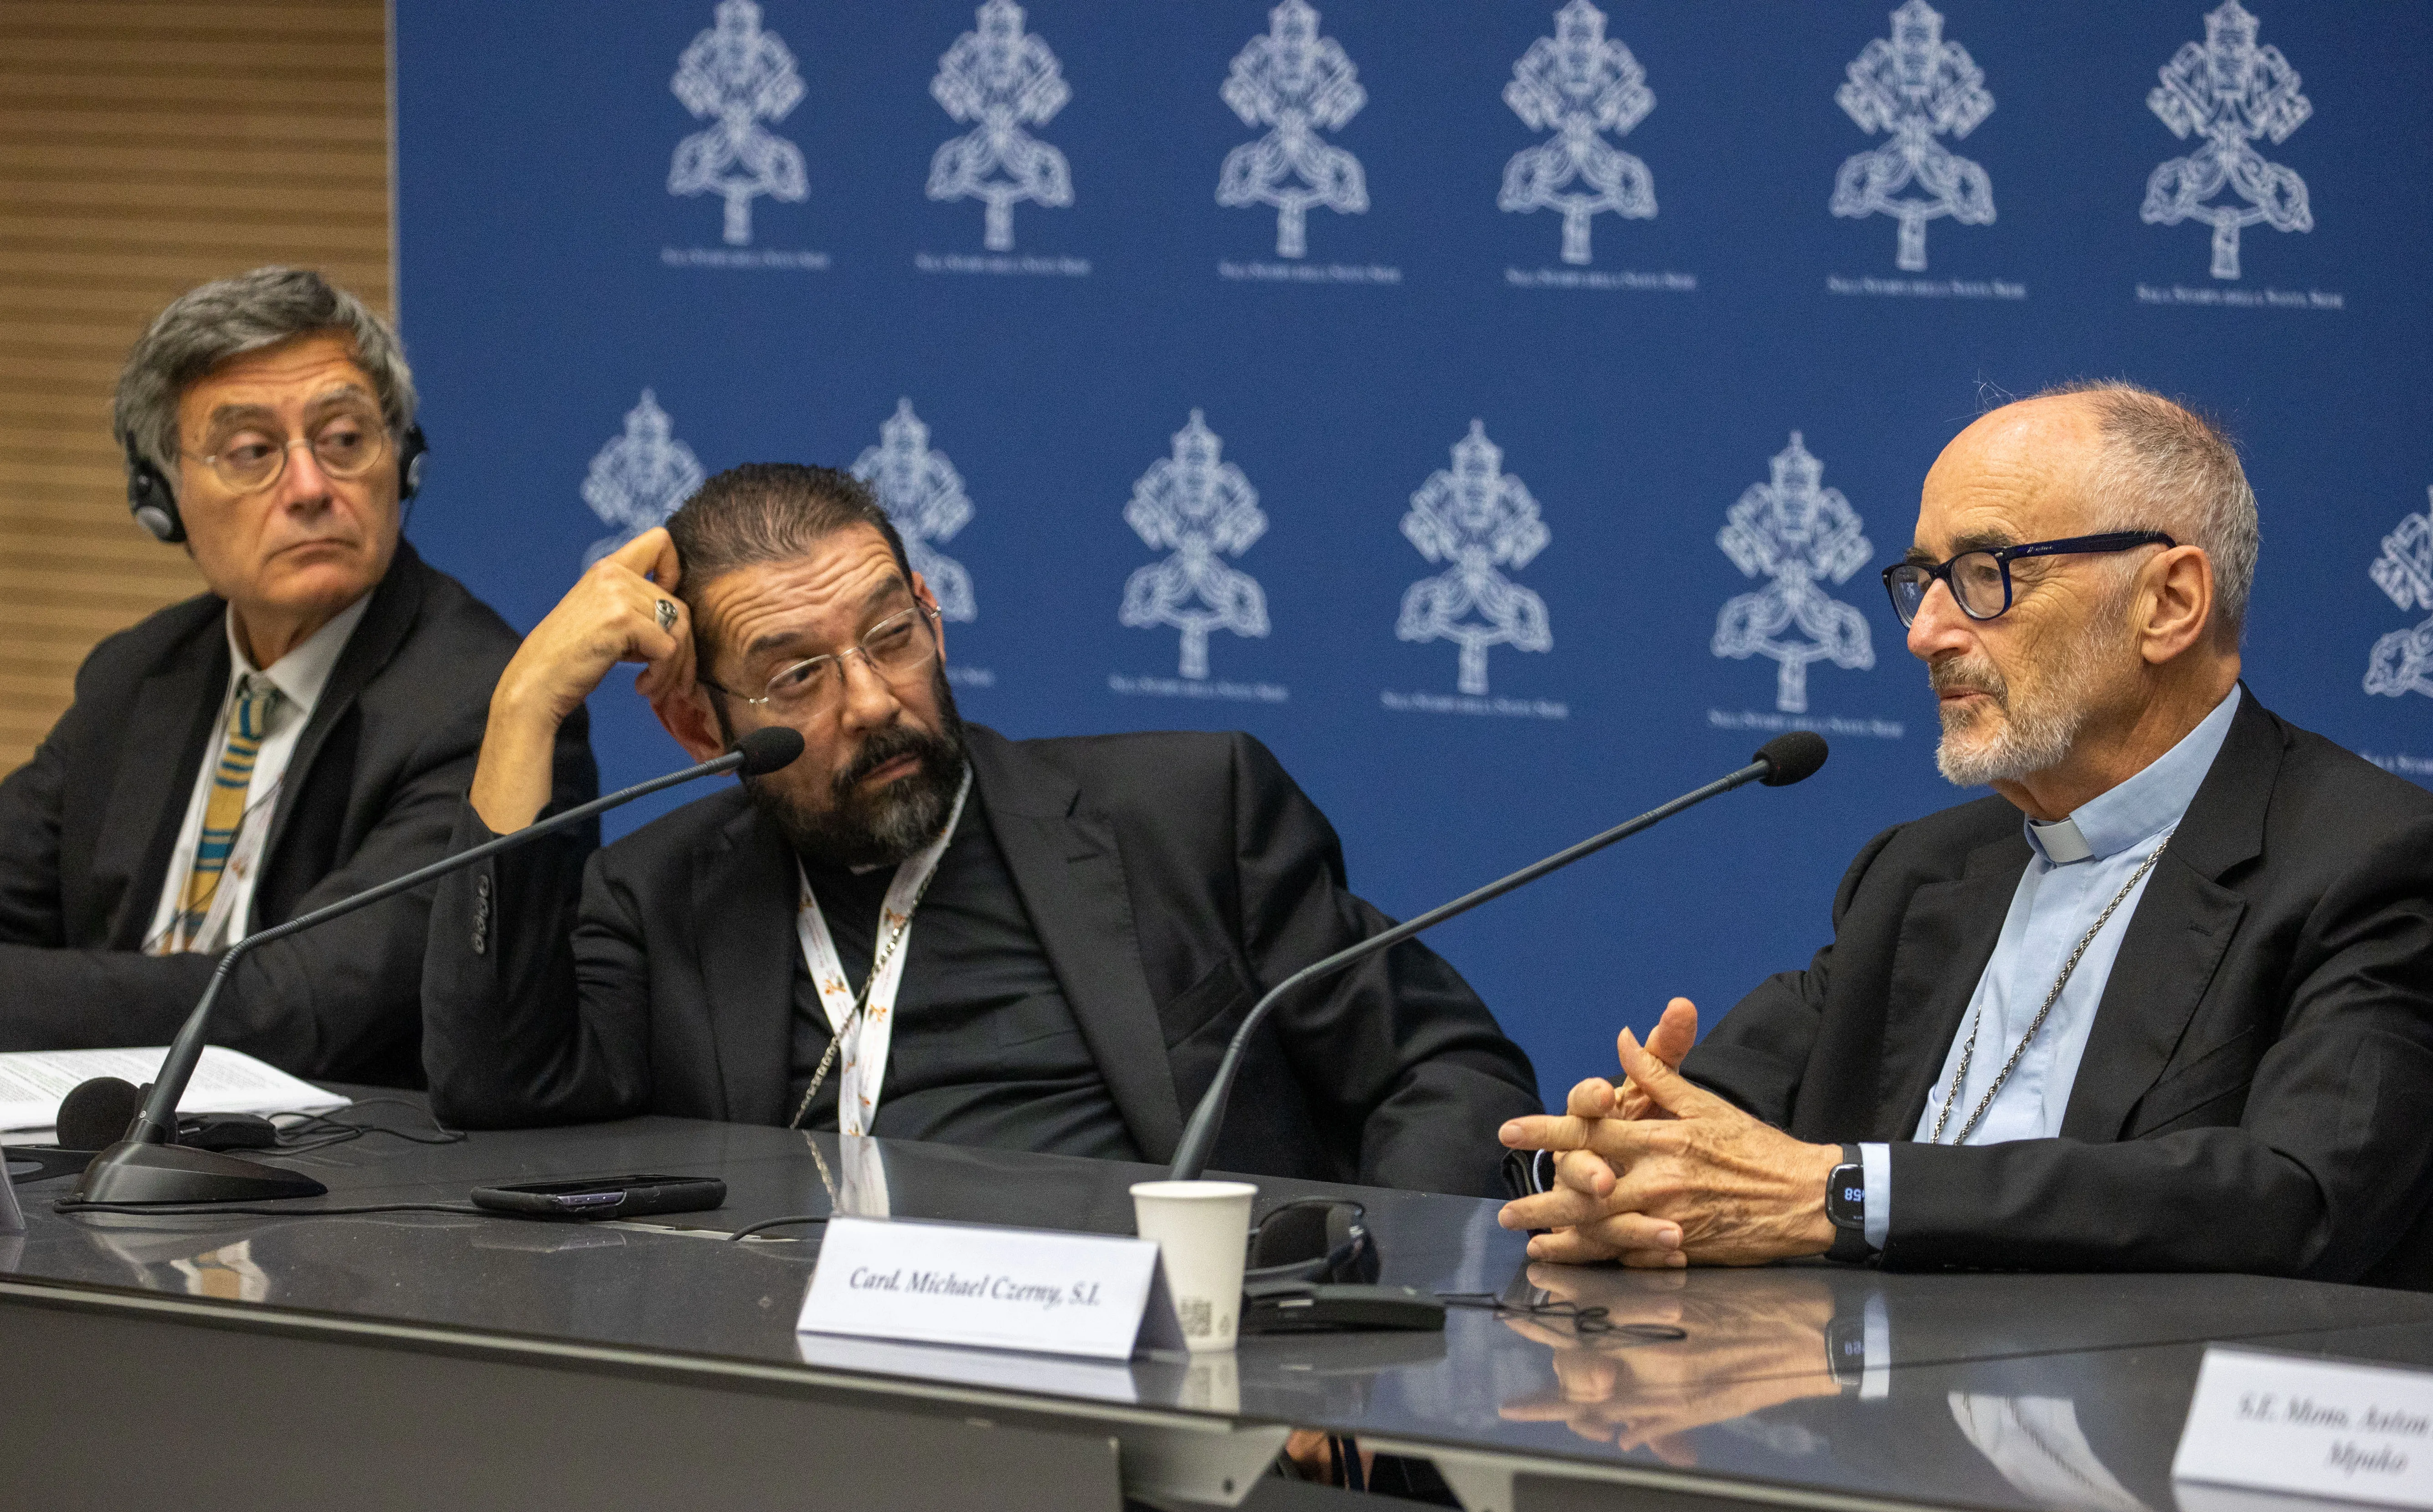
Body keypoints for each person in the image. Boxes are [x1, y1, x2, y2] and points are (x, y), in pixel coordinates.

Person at [1500, 382, 2433, 1283]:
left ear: (2169, 603)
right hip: (1860, 1413)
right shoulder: (1922, 871)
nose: (1925, 633)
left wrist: (1847, 1196)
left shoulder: (2365, 863)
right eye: (1920, 582)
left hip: (2144, 1423)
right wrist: (1619, 1162)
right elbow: (1728, 1128)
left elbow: (2296, 1195)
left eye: (1985, 575)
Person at [423, 462, 1535, 1194]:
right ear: (694, 721)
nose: (869, 699)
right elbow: (495, 1086)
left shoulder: (1186, 813)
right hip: (816, 1416)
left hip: (1147, 1409)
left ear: (932, 619)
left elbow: (1445, 1071)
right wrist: (526, 707)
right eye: (797, 674)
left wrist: (1340, 1335)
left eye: (891, 635)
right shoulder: (660, 899)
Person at [0, 267, 596, 1084]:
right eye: (251, 452)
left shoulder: (488, 703)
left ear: (404, 463)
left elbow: (300, 1003)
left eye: (345, 439)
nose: (311, 488)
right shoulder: (138, 676)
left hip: (347, 1182)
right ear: (161, 495)